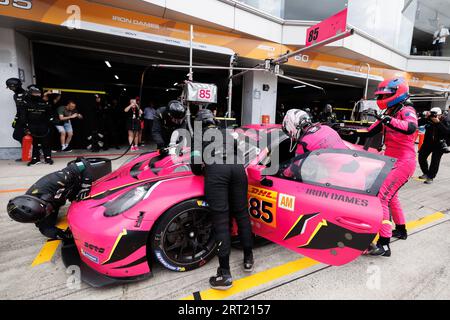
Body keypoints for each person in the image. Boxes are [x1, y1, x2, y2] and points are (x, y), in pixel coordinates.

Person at [190, 109, 254, 290]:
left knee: (221, 221)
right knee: (242, 214)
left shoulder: (197, 137)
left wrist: (206, 168)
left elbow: (195, 168)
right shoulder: (228, 134)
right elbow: (241, 156)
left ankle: (224, 273)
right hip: (237, 169)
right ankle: (248, 258)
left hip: (217, 172)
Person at [355, 78, 418, 254]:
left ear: (397, 92)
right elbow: (370, 130)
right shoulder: (391, 110)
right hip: (391, 161)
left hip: (404, 162)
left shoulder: (407, 110)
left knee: (381, 197)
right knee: (392, 197)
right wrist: (343, 129)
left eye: (385, 94)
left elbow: (411, 127)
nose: (382, 97)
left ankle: (384, 244)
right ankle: (402, 229)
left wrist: (387, 120)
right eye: (381, 94)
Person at [7, 157, 93, 240]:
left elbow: (83, 164)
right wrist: (63, 235)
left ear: (42, 202)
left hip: (73, 185)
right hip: (59, 197)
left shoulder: (52, 181)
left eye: (47, 210)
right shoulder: (36, 212)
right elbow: (46, 230)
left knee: (85, 200)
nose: (49, 212)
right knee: (46, 225)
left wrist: (86, 186)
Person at [281, 109, 348, 177]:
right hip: (350, 167)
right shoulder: (326, 128)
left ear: (292, 126)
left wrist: (282, 173)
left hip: (335, 177)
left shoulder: (304, 143)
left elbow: (294, 169)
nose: (291, 136)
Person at [22, 85, 54, 166]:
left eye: (38, 93)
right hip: (32, 126)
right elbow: (23, 116)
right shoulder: (26, 103)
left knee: (46, 142)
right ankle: (35, 159)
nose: (37, 95)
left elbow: (50, 114)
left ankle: (48, 158)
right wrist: (25, 126)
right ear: (30, 93)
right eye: (35, 93)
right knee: (34, 143)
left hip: (43, 125)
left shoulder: (44, 102)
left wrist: (50, 122)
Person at [418, 107, 450, 184]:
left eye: (435, 115)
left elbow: (447, 132)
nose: (433, 116)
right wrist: (425, 117)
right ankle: (426, 173)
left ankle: (430, 177)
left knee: (435, 161)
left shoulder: (445, 120)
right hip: (428, 143)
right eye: (432, 114)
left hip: (440, 144)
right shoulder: (429, 119)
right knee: (421, 157)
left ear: (440, 115)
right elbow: (417, 123)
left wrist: (438, 122)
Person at [6, 78, 28, 160]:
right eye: (10, 88)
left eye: (12, 88)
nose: (12, 90)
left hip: (28, 119)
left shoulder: (27, 94)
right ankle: (26, 153)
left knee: (31, 136)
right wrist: (15, 120)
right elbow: (18, 109)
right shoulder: (15, 96)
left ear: (18, 86)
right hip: (20, 118)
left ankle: (33, 153)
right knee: (17, 135)